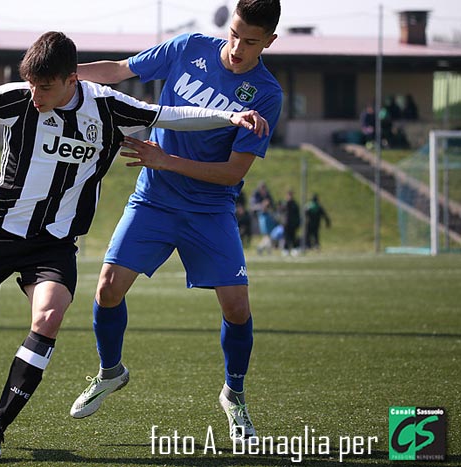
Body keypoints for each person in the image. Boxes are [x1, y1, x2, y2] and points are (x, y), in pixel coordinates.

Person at [0, 31, 268, 462]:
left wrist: (229, 119)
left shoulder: (107, 107)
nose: (35, 95)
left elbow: (170, 115)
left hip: (54, 246)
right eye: (31, 84)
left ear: (71, 79)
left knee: (49, 316)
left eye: (44, 87)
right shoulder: (16, 99)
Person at [68, 0, 282, 445]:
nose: (238, 47)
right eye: (235, 34)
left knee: (237, 308)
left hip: (210, 210)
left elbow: (233, 172)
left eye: (251, 41)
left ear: (270, 42)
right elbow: (119, 70)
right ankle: (111, 372)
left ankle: (234, 395)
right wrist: (65, 73)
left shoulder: (266, 94)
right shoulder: (188, 48)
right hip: (155, 199)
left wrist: (165, 160)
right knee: (107, 288)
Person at [281, 189, 301, 255]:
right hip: (286, 224)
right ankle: (285, 249)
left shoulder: (294, 204)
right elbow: (281, 212)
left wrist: (298, 223)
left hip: (293, 224)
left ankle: (294, 249)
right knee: (286, 237)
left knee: (293, 237)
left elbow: (297, 214)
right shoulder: (285, 204)